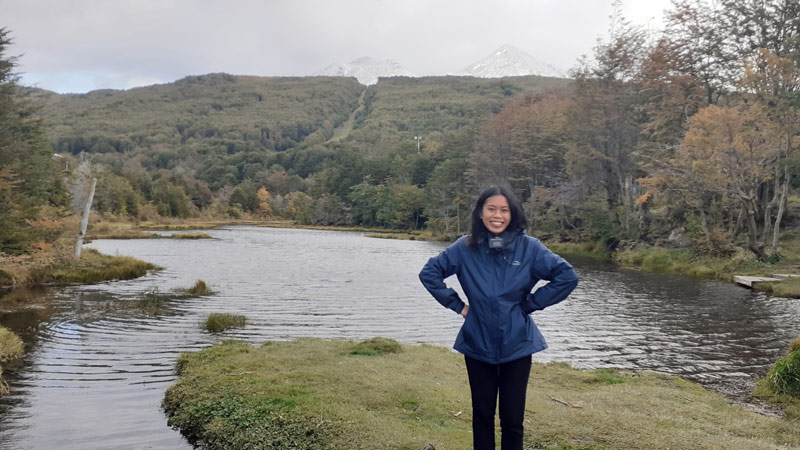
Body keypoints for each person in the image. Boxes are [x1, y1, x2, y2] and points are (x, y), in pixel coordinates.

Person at [419, 185, 578, 450]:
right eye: (491, 209)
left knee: (512, 420)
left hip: (517, 345)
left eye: (504, 210)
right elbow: (430, 274)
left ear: (512, 214)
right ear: (481, 213)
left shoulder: (530, 248)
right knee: (482, 416)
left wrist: (529, 306)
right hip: (477, 344)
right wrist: (459, 306)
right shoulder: (464, 247)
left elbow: (567, 277)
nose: (497, 215)